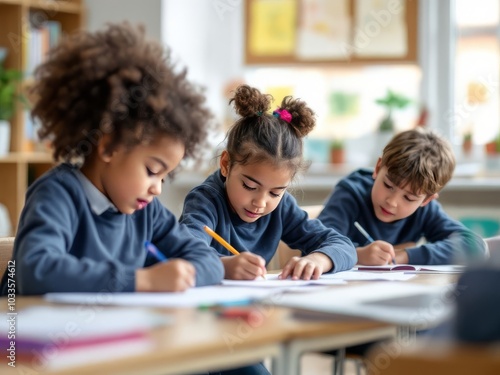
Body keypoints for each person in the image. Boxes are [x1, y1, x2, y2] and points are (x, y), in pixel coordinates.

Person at [0, 23, 224, 296]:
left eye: (165, 177)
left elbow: (208, 260)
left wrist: (180, 276)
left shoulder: (146, 211)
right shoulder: (57, 194)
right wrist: (143, 281)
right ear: (109, 147)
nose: (157, 188)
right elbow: (36, 271)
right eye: (152, 171)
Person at [180, 84, 357, 282]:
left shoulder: (281, 208)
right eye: (250, 186)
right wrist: (223, 266)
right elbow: (183, 250)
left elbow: (343, 245)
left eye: (275, 193)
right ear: (226, 164)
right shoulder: (205, 201)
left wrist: (318, 259)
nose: (261, 203)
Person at [318, 128, 487, 266]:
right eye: (388, 186)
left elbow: (474, 246)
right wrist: (358, 255)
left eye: (409, 198)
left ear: (426, 200)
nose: (392, 202)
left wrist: (405, 256)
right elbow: (316, 242)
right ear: (378, 167)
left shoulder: (425, 210)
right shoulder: (351, 193)